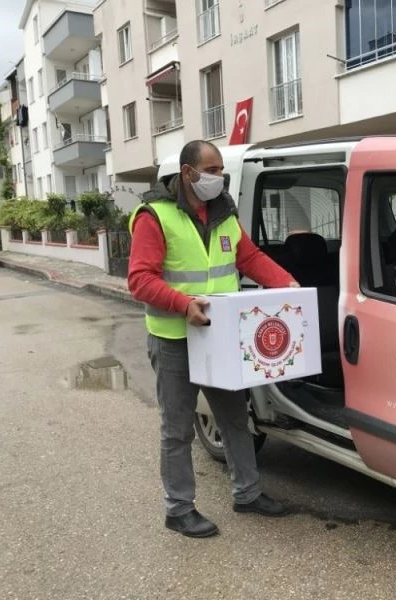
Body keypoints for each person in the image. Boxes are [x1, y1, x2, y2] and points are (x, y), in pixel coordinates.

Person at [127, 140, 299, 538]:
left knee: (235, 418)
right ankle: (179, 509)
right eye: (212, 170)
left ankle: (248, 494)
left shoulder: (224, 213)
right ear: (188, 173)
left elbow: (249, 258)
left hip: (219, 337)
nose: (219, 177)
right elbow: (140, 279)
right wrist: (183, 304)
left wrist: (287, 284)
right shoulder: (156, 215)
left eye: (221, 170)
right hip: (174, 338)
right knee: (177, 429)